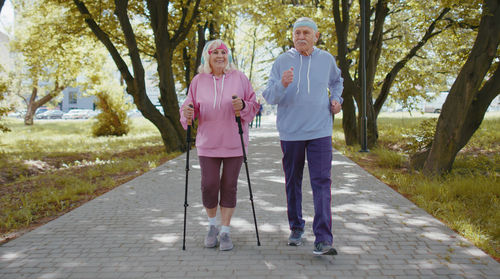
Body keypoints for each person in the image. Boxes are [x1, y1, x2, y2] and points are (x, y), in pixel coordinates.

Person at [262, 17, 343, 255]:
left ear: (316, 36)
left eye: (306, 33)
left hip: (320, 131)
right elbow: (268, 96)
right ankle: (296, 227)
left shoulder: (326, 59)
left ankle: (323, 238)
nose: (301, 37)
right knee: (293, 181)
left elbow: (337, 82)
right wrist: (282, 85)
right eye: (297, 33)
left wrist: (337, 99)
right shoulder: (282, 61)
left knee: (321, 182)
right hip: (291, 132)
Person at [179, 39, 259, 251]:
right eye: (215, 52)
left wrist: (242, 105)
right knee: (209, 185)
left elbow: (253, 105)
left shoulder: (240, 78)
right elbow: (190, 107)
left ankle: (225, 231)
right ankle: (212, 226)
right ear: (208, 57)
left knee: (229, 186)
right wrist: (187, 113)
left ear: (228, 56)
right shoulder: (198, 80)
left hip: (235, 142)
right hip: (207, 144)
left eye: (223, 52)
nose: (220, 56)